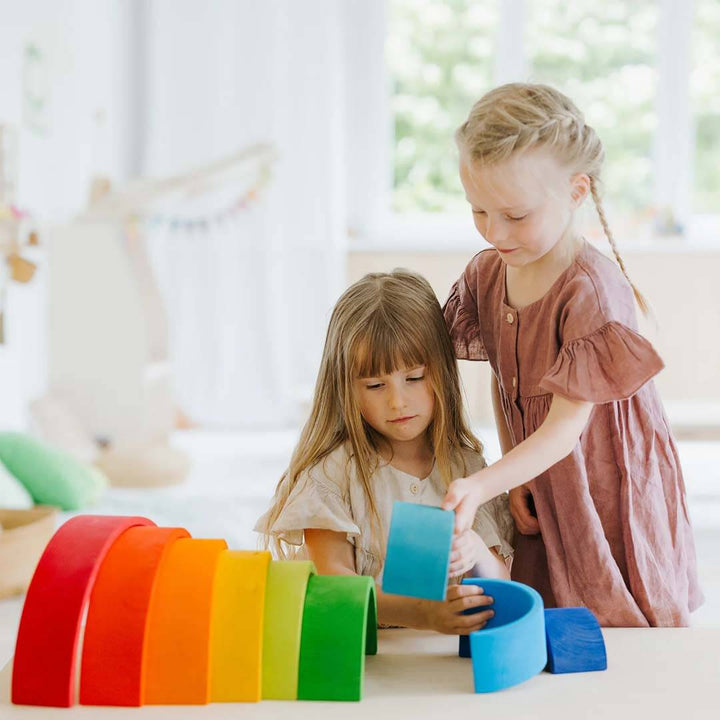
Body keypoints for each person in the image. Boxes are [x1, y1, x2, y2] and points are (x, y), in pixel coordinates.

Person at [441, 82, 703, 627]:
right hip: (540, 466)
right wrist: (514, 473)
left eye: (514, 215)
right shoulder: (489, 273)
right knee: (548, 602)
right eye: (479, 211)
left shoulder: (590, 290)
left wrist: (486, 482)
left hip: (603, 472)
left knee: (612, 601)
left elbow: (565, 429)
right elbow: (504, 379)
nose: (494, 232)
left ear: (576, 190)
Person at [255, 270, 514, 634]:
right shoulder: (331, 475)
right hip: (363, 664)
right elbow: (334, 585)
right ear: (345, 387)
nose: (397, 401)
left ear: (442, 372)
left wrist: (474, 550)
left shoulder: (467, 470)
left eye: (414, 378)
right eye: (375, 385)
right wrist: (423, 614)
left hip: (444, 666)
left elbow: (505, 584)